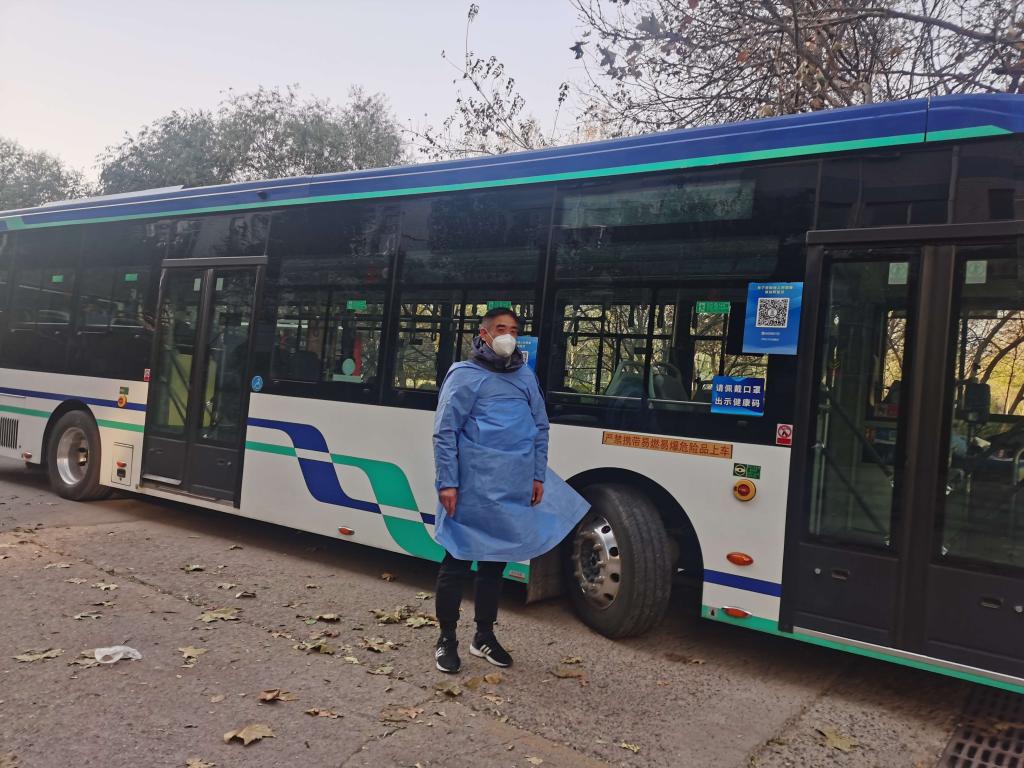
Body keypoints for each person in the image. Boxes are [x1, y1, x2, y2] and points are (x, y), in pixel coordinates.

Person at [431, 308, 589, 673]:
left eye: (514, 330)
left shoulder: (524, 375)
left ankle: (483, 636)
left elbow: (540, 427)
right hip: (470, 488)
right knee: (456, 563)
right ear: (484, 334)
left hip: (510, 488)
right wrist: (447, 482)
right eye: (500, 328)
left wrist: (537, 476)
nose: (508, 336)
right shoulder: (464, 375)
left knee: (494, 564)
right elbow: (445, 432)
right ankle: (446, 638)